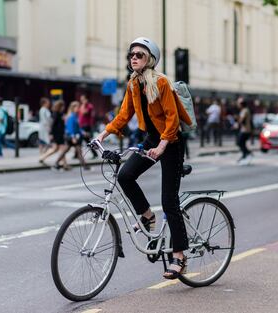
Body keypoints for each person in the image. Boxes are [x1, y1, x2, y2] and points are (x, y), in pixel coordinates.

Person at [95, 37, 192, 280]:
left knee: (169, 200)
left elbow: (171, 118)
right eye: (131, 54)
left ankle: (179, 256)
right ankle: (147, 216)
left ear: (150, 59)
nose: (134, 57)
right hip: (152, 139)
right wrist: (102, 135)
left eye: (139, 54)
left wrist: (162, 145)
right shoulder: (133, 85)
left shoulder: (161, 82)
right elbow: (124, 115)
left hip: (172, 142)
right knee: (125, 175)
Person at [53, 101, 88, 171]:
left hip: (74, 137)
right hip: (71, 137)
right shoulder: (71, 116)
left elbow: (77, 128)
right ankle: (84, 166)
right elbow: (70, 128)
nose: (78, 108)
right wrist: (73, 137)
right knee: (78, 151)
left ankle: (56, 163)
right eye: (77, 107)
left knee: (70, 150)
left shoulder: (75, 116)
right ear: (73, 108)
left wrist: (82, 132)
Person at [39, 100, 67, 166]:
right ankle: (64, 164)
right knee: (62, 149)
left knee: (55, 149)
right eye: (63, 106)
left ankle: (42, 157)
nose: (64, 108)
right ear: (60, 106)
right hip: (57, 134)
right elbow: (53, 124)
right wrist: (51, 133)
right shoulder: (56, 114)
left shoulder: (59, 114)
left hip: (59, 133)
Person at [236, 98, 253, 165]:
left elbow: (242, 120)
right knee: (241, 142)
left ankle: (247, 154)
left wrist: (237, 124)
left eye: (238, 103)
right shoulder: (246, 110)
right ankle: (245, 154)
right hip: (246, 130)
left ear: (241, 104)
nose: (237, 105)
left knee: (239, 142)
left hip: (245, 130)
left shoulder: (244, 110)